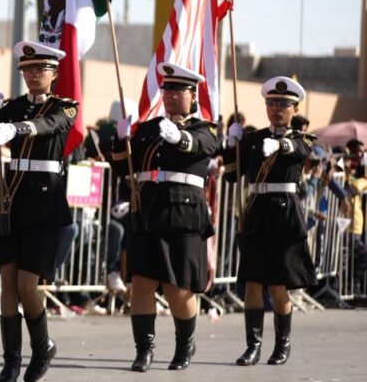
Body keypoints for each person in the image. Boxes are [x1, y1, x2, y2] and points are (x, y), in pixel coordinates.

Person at [0, 41, 76, 382]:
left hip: (44, 203)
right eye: (27, 69)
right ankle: (11, 360)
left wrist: (17, 128)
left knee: (28, 285)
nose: (33, 74)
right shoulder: (11, 107)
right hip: (12, 202)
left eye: (40, 68)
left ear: (54, 73)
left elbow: (51, 125)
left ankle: (42, 347)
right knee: (7, 282)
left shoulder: (65, 106)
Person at [110, 63, 220, 372]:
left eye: (178, 90)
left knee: (178, 288)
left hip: (184, 214)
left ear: (192, 94)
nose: (170, 96)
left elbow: (203, 146)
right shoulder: (149, 128)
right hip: (148, 212)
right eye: (167, 90)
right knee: (142, 283)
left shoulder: (205, 128)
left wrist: (179, 138)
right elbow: (123, 168)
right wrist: (121, 140)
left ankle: (185, 343)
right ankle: (144, 350)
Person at [222, 76, 318, 367]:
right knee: (252, 283)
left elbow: (298, 152)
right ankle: (253, 346)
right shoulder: (253, 139)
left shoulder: (302, 138)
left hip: (285, 216)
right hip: (257, 213)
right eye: (272, 103)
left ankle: (282, 344)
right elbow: (230, 174)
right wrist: (233, 142)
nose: (277, 109)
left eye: (284, 105)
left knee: (278, 286)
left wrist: (279, 146)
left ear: (294, 109)